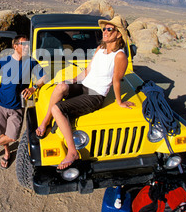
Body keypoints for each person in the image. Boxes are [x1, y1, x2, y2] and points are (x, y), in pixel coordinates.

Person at [36, 16, 135, 170]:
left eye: (110, 29)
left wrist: (119, 101)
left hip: (95, 95)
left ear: (119, 34)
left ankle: (73, 152)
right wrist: (73, 79)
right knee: (61, 86)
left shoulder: (120, 55)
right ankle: (46, 121)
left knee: (58, 108)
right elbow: (88, 70)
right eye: (104, 29)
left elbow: (116, 80)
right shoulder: (100, 49)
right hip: (85, 85)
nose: (105, 32)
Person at [0, 35, 46, 169]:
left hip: (18, 106)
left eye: (28, 45)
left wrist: (33, 87)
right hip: (0, 104)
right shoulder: (4, 61)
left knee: (12, 137)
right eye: (23, 44)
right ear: (15, 46)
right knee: (3, 133)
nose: (27, 47)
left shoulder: (30, 61)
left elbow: (44, 76)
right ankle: (7, 154)